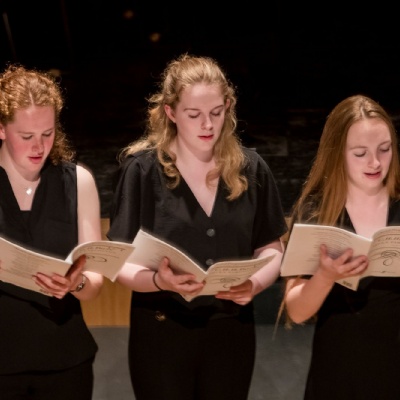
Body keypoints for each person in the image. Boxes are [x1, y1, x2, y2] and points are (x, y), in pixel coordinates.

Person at [107, 53, 287, 400]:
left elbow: (270, 248)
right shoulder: (142, 171)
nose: (208, 124)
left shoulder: (252, 168)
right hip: (161, 328)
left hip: (230, 328)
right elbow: (118, 261)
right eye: (194, 115)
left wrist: (255, 283)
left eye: (216, 112)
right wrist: (159, 281)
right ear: (171, 113)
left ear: (228, 107)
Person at [283, 94, 400, 400]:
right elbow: (296, 311)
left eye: (384, 149)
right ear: (337, 153)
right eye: (360, 153)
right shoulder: (316, 212)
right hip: (338, 368)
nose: (375, 162)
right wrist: (325, 277)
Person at [0, 65, 104, 399]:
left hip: (64, 357)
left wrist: (77, 283)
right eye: (26, 136)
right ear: (1, 129)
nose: (39, 146)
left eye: (47, 133)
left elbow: (94, 282)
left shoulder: (78, 181)